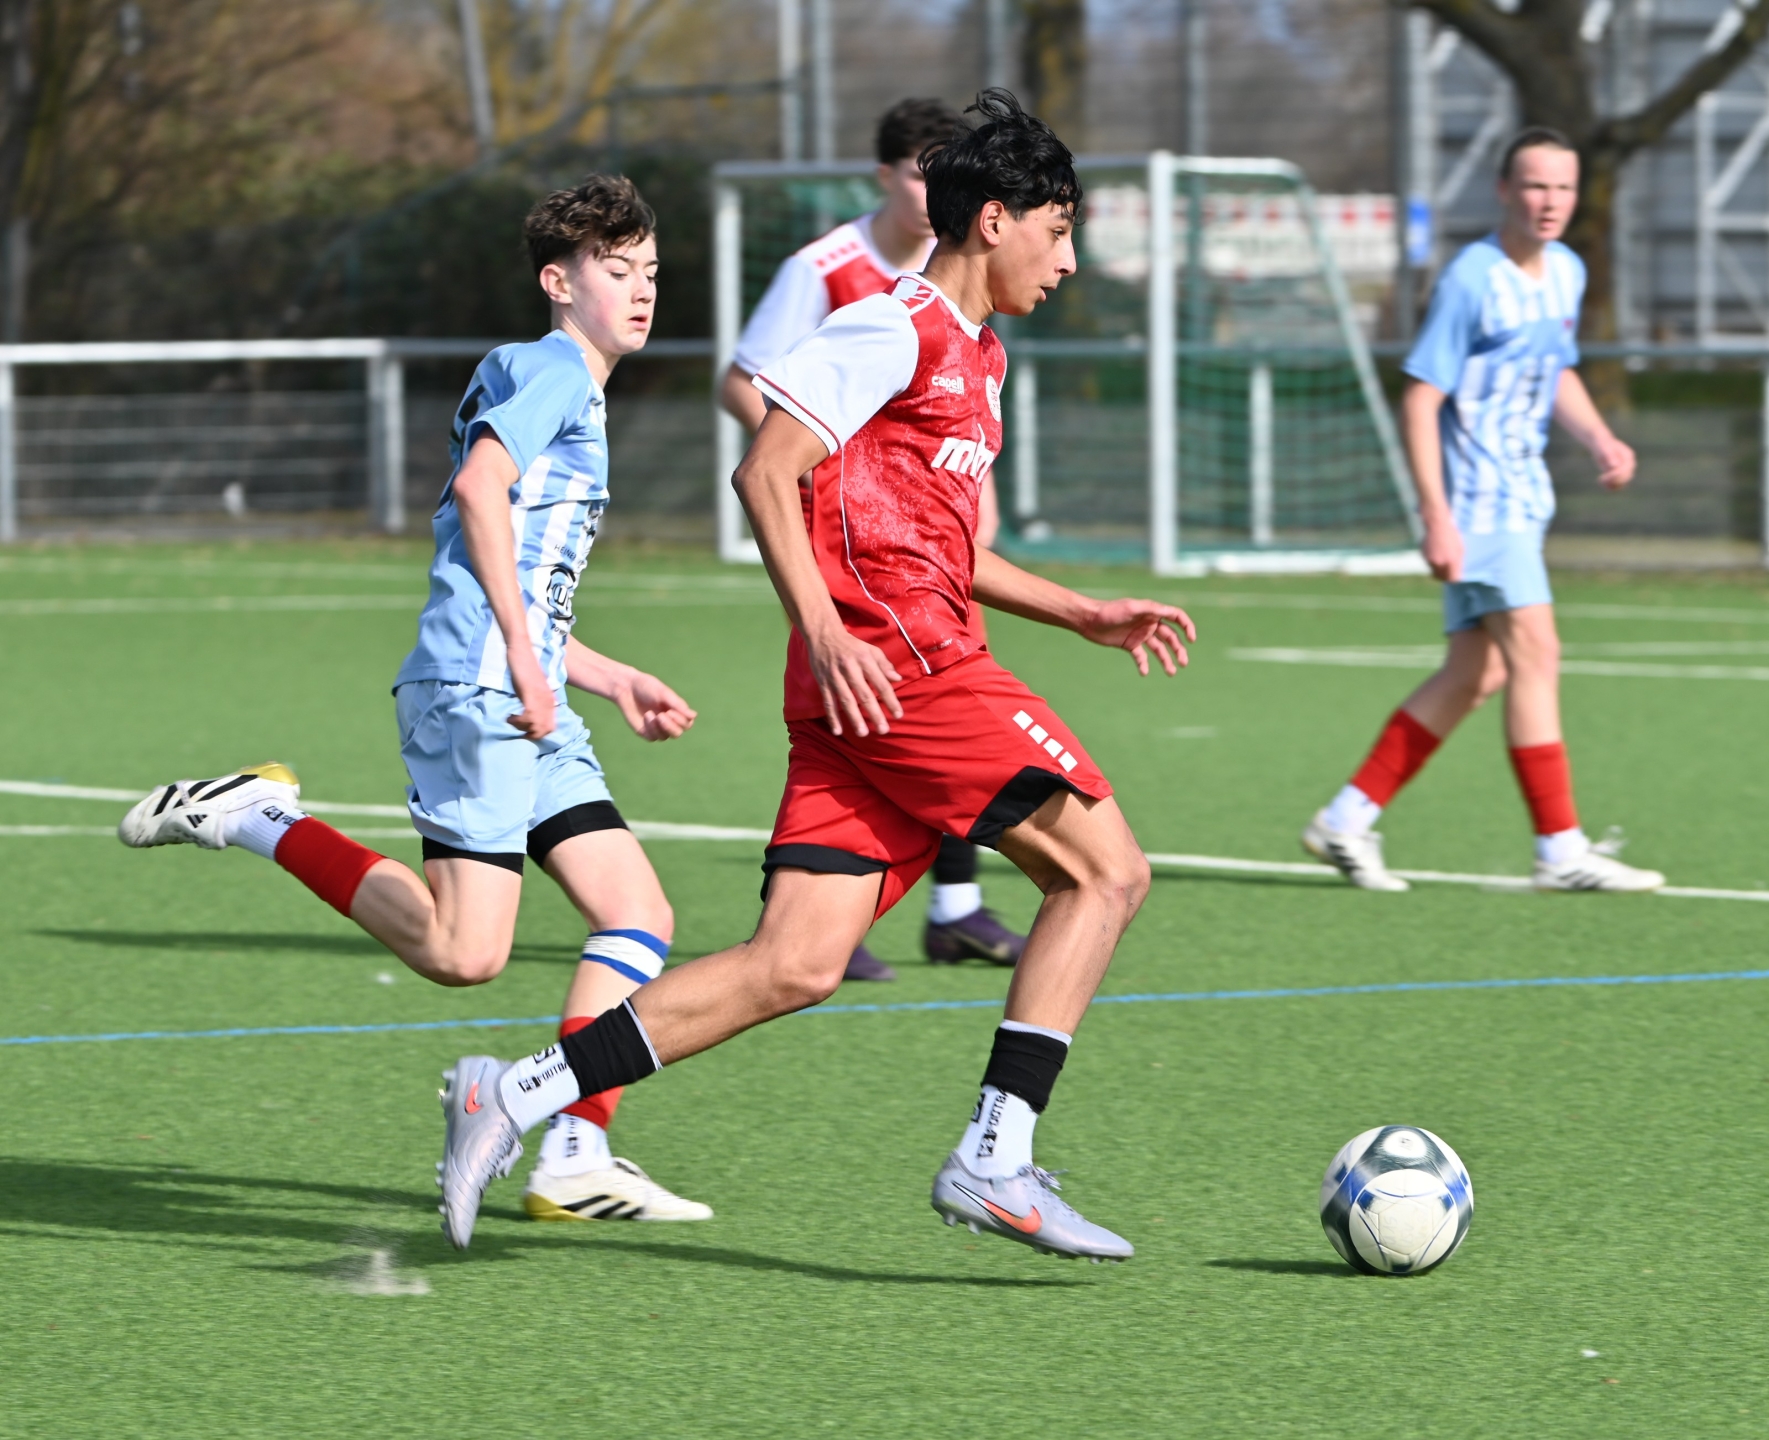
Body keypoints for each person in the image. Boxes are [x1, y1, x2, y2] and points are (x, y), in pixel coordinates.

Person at [435, 90, 1197, 1260]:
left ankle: (517, 1092)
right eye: (1058, 231)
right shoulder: (892, 326)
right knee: (1108, 874)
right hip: (908, 670)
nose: (1070, 261)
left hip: (869, 685)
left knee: (793, 965)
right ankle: (995, 1158)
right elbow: (765, 470)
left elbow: (946, 547)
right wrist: (827, 628)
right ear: (994, 220)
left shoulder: (980, 356)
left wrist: (1083, 611)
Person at [116, 175, 714, 1226]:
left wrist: (602, 673)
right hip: (482, 695)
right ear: (557, 282)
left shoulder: (564, 383)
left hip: (518, 691)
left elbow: (514, 573)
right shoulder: (552, 370)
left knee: (636, 914)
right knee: (463, 953)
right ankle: (258, 818)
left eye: (650, 271)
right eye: (615, 270)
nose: (641, 289)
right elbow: (481, 493)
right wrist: (527, 661)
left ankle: (574, 1152)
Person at [1301, 127, 1664, 894]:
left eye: (1563, 187)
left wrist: (1600, 438)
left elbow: (1555, 369)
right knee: (1537, 654)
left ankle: (1346, 818)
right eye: (1534, 185)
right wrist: (1436, 515)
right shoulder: (1472, 278)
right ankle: (1560, 849)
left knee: (1478, 672)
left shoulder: (1566, 271)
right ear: (1504, 191)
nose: (1550, 201)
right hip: (1479, 504)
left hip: (1523, 498)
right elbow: (1421, 399)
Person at [719, 96, 1028, 983]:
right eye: (922, 171)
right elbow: (745, 384)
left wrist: (964, 499)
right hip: (851, 542)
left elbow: (946, 417)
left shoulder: (972, 295)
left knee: (950, 692)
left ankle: (950, 907)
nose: (936, 189)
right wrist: (825, 468)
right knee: (863, 702)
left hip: (933, 546)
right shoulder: (827, 270)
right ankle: (828, 906)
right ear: (886, 175)